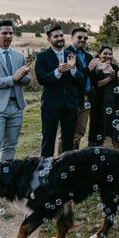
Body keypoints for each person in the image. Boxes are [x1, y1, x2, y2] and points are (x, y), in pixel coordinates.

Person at [35, 25, 84, 157]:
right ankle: (46, 169)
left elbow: (81, 80)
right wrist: (58, 71)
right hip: (50, 105)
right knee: (48, 140)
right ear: (49, 39)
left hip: (70, 105)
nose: (60, 38)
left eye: (61, 35)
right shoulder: (42, 56)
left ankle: (65, 169)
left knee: (68, 141)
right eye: (56, 36)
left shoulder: (71, 55)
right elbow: (41, 79)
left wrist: (73, 69)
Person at [0, 20, 31, 161]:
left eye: (11, 33)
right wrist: (13, 78)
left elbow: (27, 80)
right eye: (4, 33)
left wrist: (23, 76)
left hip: (17, 106)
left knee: (10, 146)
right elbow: (13, 78)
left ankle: (4, 178)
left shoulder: (19, 56)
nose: (8, 36)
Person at [61, 27, 93, 151]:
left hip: (87, 97)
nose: (82, 40)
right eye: (79, 37)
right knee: (66, 134)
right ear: (72, 37)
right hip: (71, 98)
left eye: (85, 38)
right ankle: (61, 161)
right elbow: (71, 77)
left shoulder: (89, 56)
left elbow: (90, 77)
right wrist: (88, 69)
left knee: (79, 132)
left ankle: (73, 160)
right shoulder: (65, 54)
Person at [88, 45, 119, 149]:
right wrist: (110, 77)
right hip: (99, 100)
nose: (108, 56)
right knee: (99, 122)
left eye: (110, 54)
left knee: (113, 122)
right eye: (105, 53)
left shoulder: (114, 67)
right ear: (99, 54)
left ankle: (113, 147)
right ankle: (98, 147)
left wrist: (118, 77)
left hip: (112, 100)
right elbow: (97, 84)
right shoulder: (96, 67)